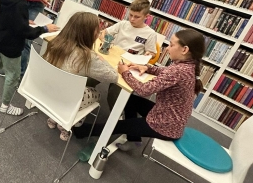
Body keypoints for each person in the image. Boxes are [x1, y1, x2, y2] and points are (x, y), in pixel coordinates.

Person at [74, 29, 206, 147]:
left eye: (171, 45)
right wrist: (145, 67)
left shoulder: (179, 70)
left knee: (118, 125)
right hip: (169, 116)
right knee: (128, 101)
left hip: (166, 126)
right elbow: (164, 71)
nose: (167, 48)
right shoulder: (187, 65)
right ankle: (133, 138)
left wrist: (125, 72)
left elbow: (144, 90)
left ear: (184, 50)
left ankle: (81, 132)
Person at [43, 12, 118, 140]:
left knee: (81, 81)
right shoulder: (87, 57)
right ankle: (67, 124)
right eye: (97, 30)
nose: (99, 33)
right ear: (90, 34)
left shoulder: (56, 42)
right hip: (67, 98)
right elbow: (113, 77)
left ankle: (54, 117)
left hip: (47, 90)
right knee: (97, 94)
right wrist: (102, 59)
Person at [99, 0, 157, 109]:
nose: (132, 19)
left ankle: (118, 116)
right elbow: (104, 32)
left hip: (128, 66)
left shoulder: (150, 34)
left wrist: (149, 54)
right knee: (90, 77)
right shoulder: (123, 24)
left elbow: (152, 53)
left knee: (113, 95)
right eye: (130, 15)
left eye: (137, 17)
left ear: (146, 17)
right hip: (112, 58)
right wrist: (104, 39)